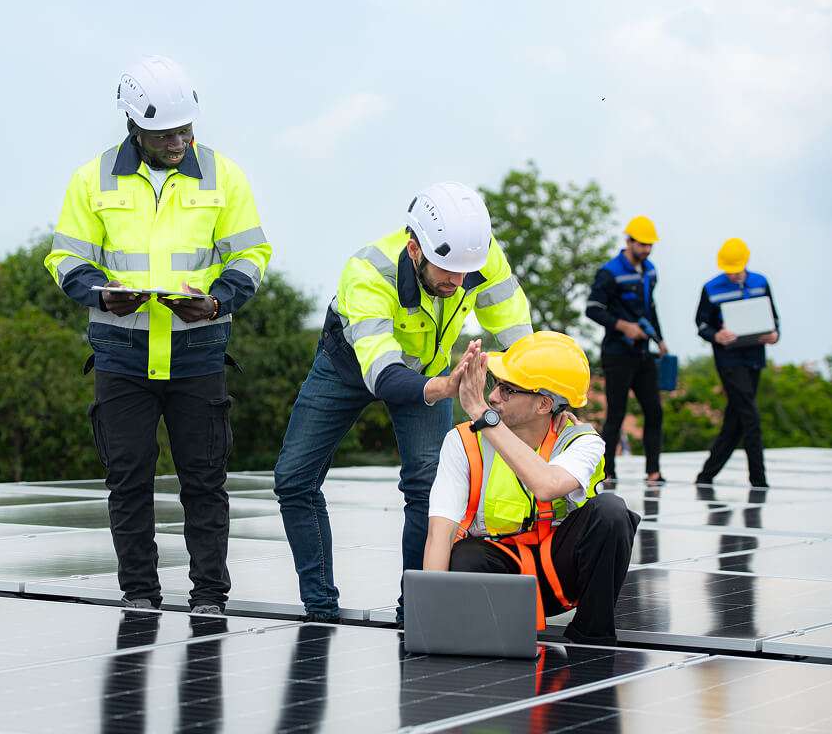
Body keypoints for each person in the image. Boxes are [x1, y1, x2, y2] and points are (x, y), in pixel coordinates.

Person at [44, 56, 272, 614]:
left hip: (199, 355)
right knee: (128, 485)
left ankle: (210, 598)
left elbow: (252, 254)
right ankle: (140, 596)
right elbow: (65, 258)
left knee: (204, 484)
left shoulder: (225, 175)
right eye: (166, 133)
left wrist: (220, 298)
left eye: (186, 129)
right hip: (121, 358)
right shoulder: (90, 179)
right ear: (133, 126)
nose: (179, 141)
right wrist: (100, 294)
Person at [273, 182, 533, 623]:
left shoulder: (476, 256)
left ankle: (415, 608)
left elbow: (516, 332)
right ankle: (320, 608)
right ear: (415, 248)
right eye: (446, 271)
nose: (458, 282)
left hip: (429, 371)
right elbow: (385, 375)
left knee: (428, 487)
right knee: (293, 479)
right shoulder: (367, 272)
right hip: (351, 366)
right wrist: (445, 388)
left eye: (465, 274)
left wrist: (539, 389)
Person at [423, 331, 641, 645]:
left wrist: (484, 417)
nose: (494, 396)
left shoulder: (582, 441)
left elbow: (547, 485)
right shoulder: (463, 441)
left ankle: (593, 638)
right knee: (465, 556)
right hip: (499, 573)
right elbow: (439, 535)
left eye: (509, 389)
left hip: (560, 576)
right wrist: (431, 616)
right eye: (495, 384)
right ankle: (498, 634)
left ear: (543, 404)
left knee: (612, 512)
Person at [585, 215, 668, 483]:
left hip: (644, 352)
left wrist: (660, 339)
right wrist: (623, 326)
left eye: (649, 245)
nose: (646, 249)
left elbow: (652, 308)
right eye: (641, 244)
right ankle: (607, 471)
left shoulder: (650, 271)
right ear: (629, 241)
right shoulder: (609, 272)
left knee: (654, 410)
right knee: (616, 414)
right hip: (617, 353)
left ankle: (654, 471)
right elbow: (593, 309)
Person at [694, 238, 779, 488]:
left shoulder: (760, 282)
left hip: (754, 356)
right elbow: (701, 323)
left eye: (736, 269)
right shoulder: (711, 288)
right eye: (728, 270)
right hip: (729, 359)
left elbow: (774, 316)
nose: (733, 274)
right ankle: (759, 480)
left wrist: (774, 334)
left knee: (736, 419)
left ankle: (706, 475)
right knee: (750, 417)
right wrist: (716, 335)